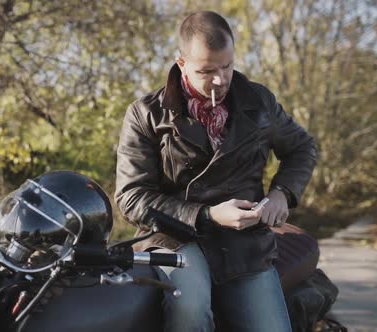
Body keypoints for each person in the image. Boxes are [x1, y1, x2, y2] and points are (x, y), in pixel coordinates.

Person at [114, 10, 317, 332]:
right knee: (190, 310)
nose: (221, 79)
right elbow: (131, 198)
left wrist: (282, 194)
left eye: (227, 66)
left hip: (245, 243)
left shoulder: (260, 101)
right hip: (174, 237)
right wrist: (207, 215)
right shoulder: (145, 114)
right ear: (182, 64)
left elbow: (303, 148)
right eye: (207, 70)